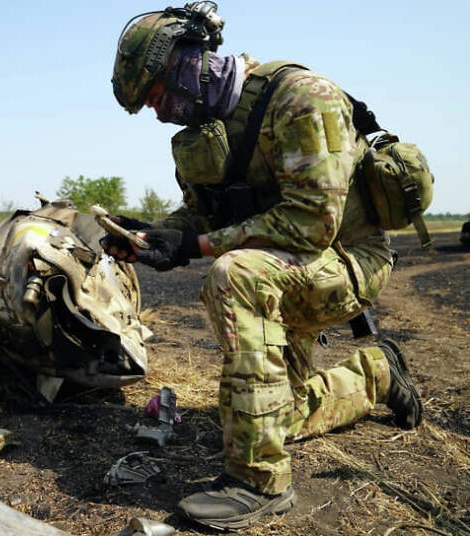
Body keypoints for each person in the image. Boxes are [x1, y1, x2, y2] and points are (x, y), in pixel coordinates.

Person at [103, 3, 424, 530]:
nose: (158, 114)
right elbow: (202, 215)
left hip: (346, 259)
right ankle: (378, 374)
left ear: (186, 66)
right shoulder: (205, 132)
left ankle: (258, 481)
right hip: (286, 264)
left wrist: (195, 247)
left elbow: (311, 223)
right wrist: (155, 236)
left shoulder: (302, 99)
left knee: (234, 275)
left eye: (157, 97)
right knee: (281, 417)